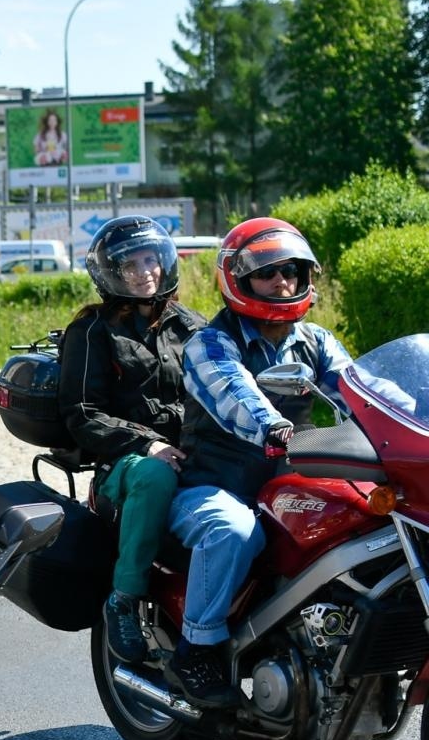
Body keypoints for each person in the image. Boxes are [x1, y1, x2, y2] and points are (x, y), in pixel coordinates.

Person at [166, 217, 352, 708]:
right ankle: (196, 649)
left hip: (285, 488)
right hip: (214, 487)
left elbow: (363, 390)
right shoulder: (211, 342)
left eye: (291, 270)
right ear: (239, 278)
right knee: (234, 530)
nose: (282, 282)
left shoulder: (316, 341)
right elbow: (234, 391)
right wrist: (273, 427)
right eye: (268, 272)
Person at [58, 216, 204, 664]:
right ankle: (124, 597)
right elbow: (82, 414)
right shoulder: (91, 332)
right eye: (131, 264)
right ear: (112, 273)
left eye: (151, 260)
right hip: (123, 466)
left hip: (194, 451)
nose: (145, 271)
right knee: (156, 476)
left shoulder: (193, 326)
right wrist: (147, 444)